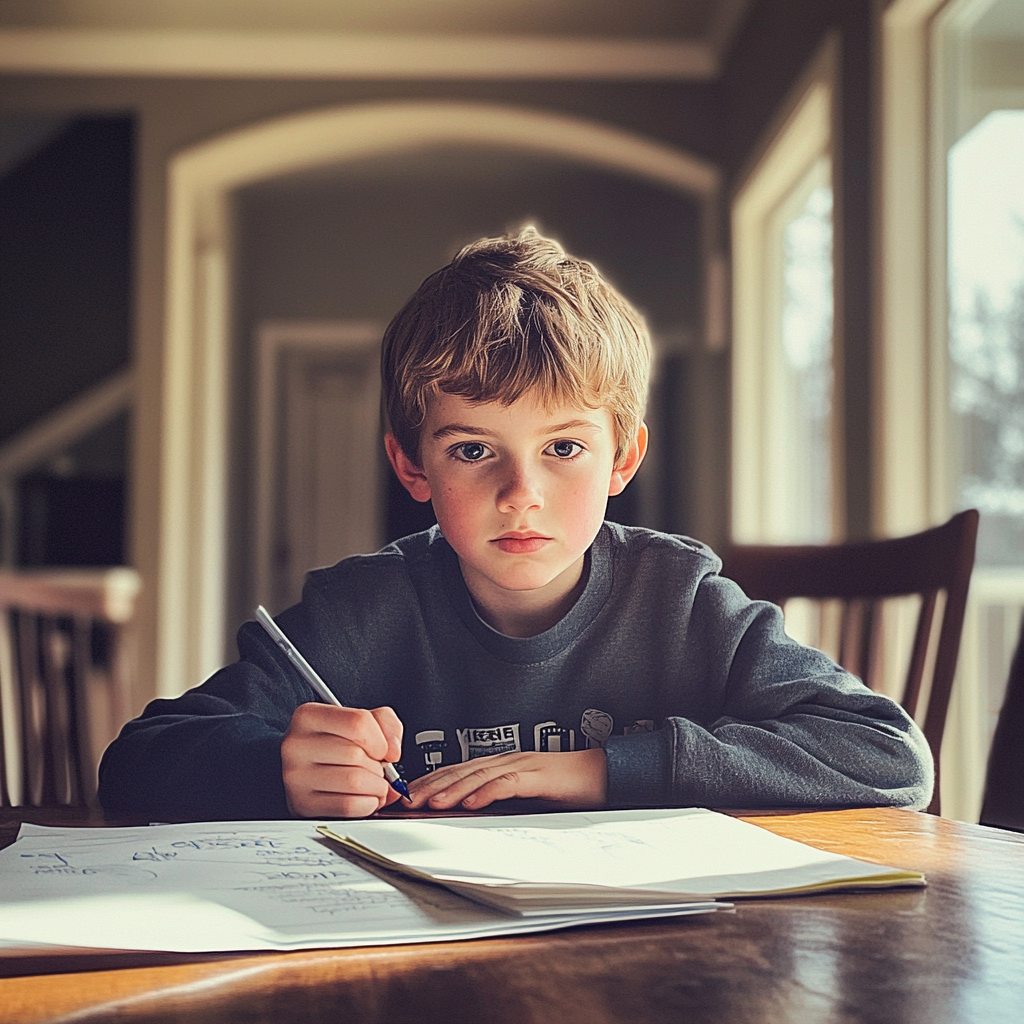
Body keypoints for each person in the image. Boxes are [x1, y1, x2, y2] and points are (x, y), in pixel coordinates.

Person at [98, 228, 933, 821]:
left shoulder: (678, 598)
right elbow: (135, 762)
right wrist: (273, 772)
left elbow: (889, 756)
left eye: (563, 445)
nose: (520, 491)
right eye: (472, 451)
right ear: (412, 466)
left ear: (622, 460)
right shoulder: (364, 609)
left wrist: (600, 771)